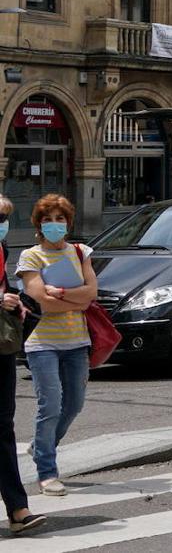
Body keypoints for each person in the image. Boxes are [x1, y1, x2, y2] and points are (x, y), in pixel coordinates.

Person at [18, 194, 97, 497]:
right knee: (50, 405)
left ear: (68, 222)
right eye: (48, 220)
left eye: (59, 219)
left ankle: (42, 445)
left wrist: (60, 292)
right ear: (39, 225)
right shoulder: (30, 257)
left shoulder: (80, 252)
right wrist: (75, 298)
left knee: (74, 404)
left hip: (77, 340)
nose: (54, 224)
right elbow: (42, 302)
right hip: (42, 342)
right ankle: (47, 471)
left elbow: (91, 294)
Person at [0, 194, 48, 533]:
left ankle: (18, 509)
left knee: (3, 426)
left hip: (1, 346)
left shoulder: (1, 250)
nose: (2, 225)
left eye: (4, 219)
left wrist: (15, 304)